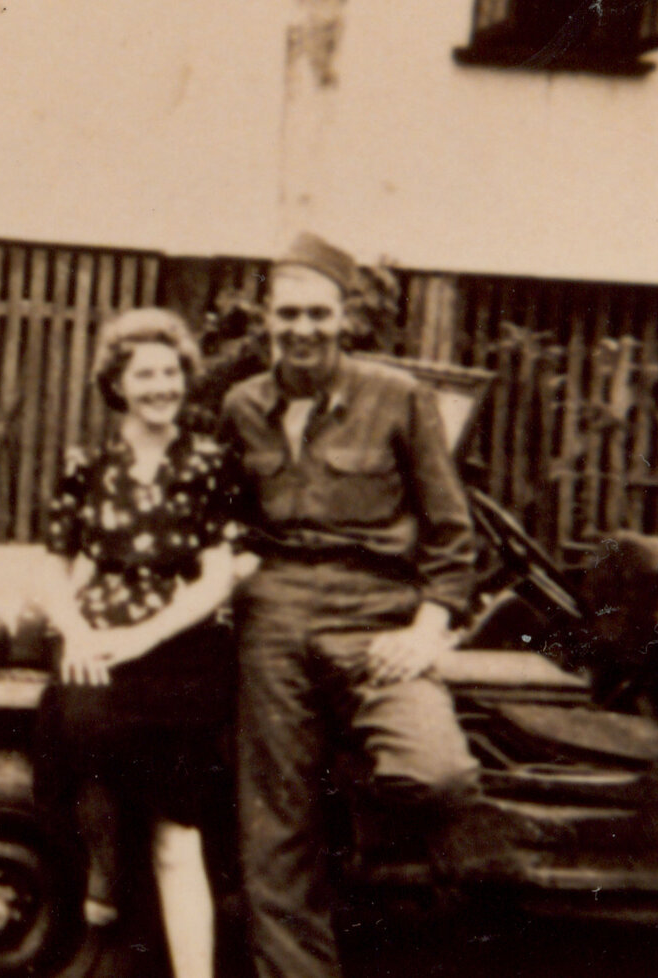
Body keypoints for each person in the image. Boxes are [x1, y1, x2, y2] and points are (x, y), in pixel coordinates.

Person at [218, 235, 480, 978]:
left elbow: (451, 532)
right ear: (267, 320)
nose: (301, 329)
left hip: (375, 618)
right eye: (287, 314)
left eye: (317, 313)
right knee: (274, 828)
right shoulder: (241, 406)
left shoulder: (398, 398)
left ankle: (362, 846)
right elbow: (223, 517)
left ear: (345, 318)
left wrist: (427, 629)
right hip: (273, 617)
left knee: (436, 772)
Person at [33, 308, 251, 978]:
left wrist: (140, 639)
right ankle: (103, 864)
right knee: (79, 727)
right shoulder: (86, 465)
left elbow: (217, 576)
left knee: (175, 831)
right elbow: (52, 563)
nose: (161, 387)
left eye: (171, 373)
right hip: (96, 636)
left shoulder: (210, 462)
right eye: (145, 375)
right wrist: (75, 631)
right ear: (117, 385)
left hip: (179, 645)